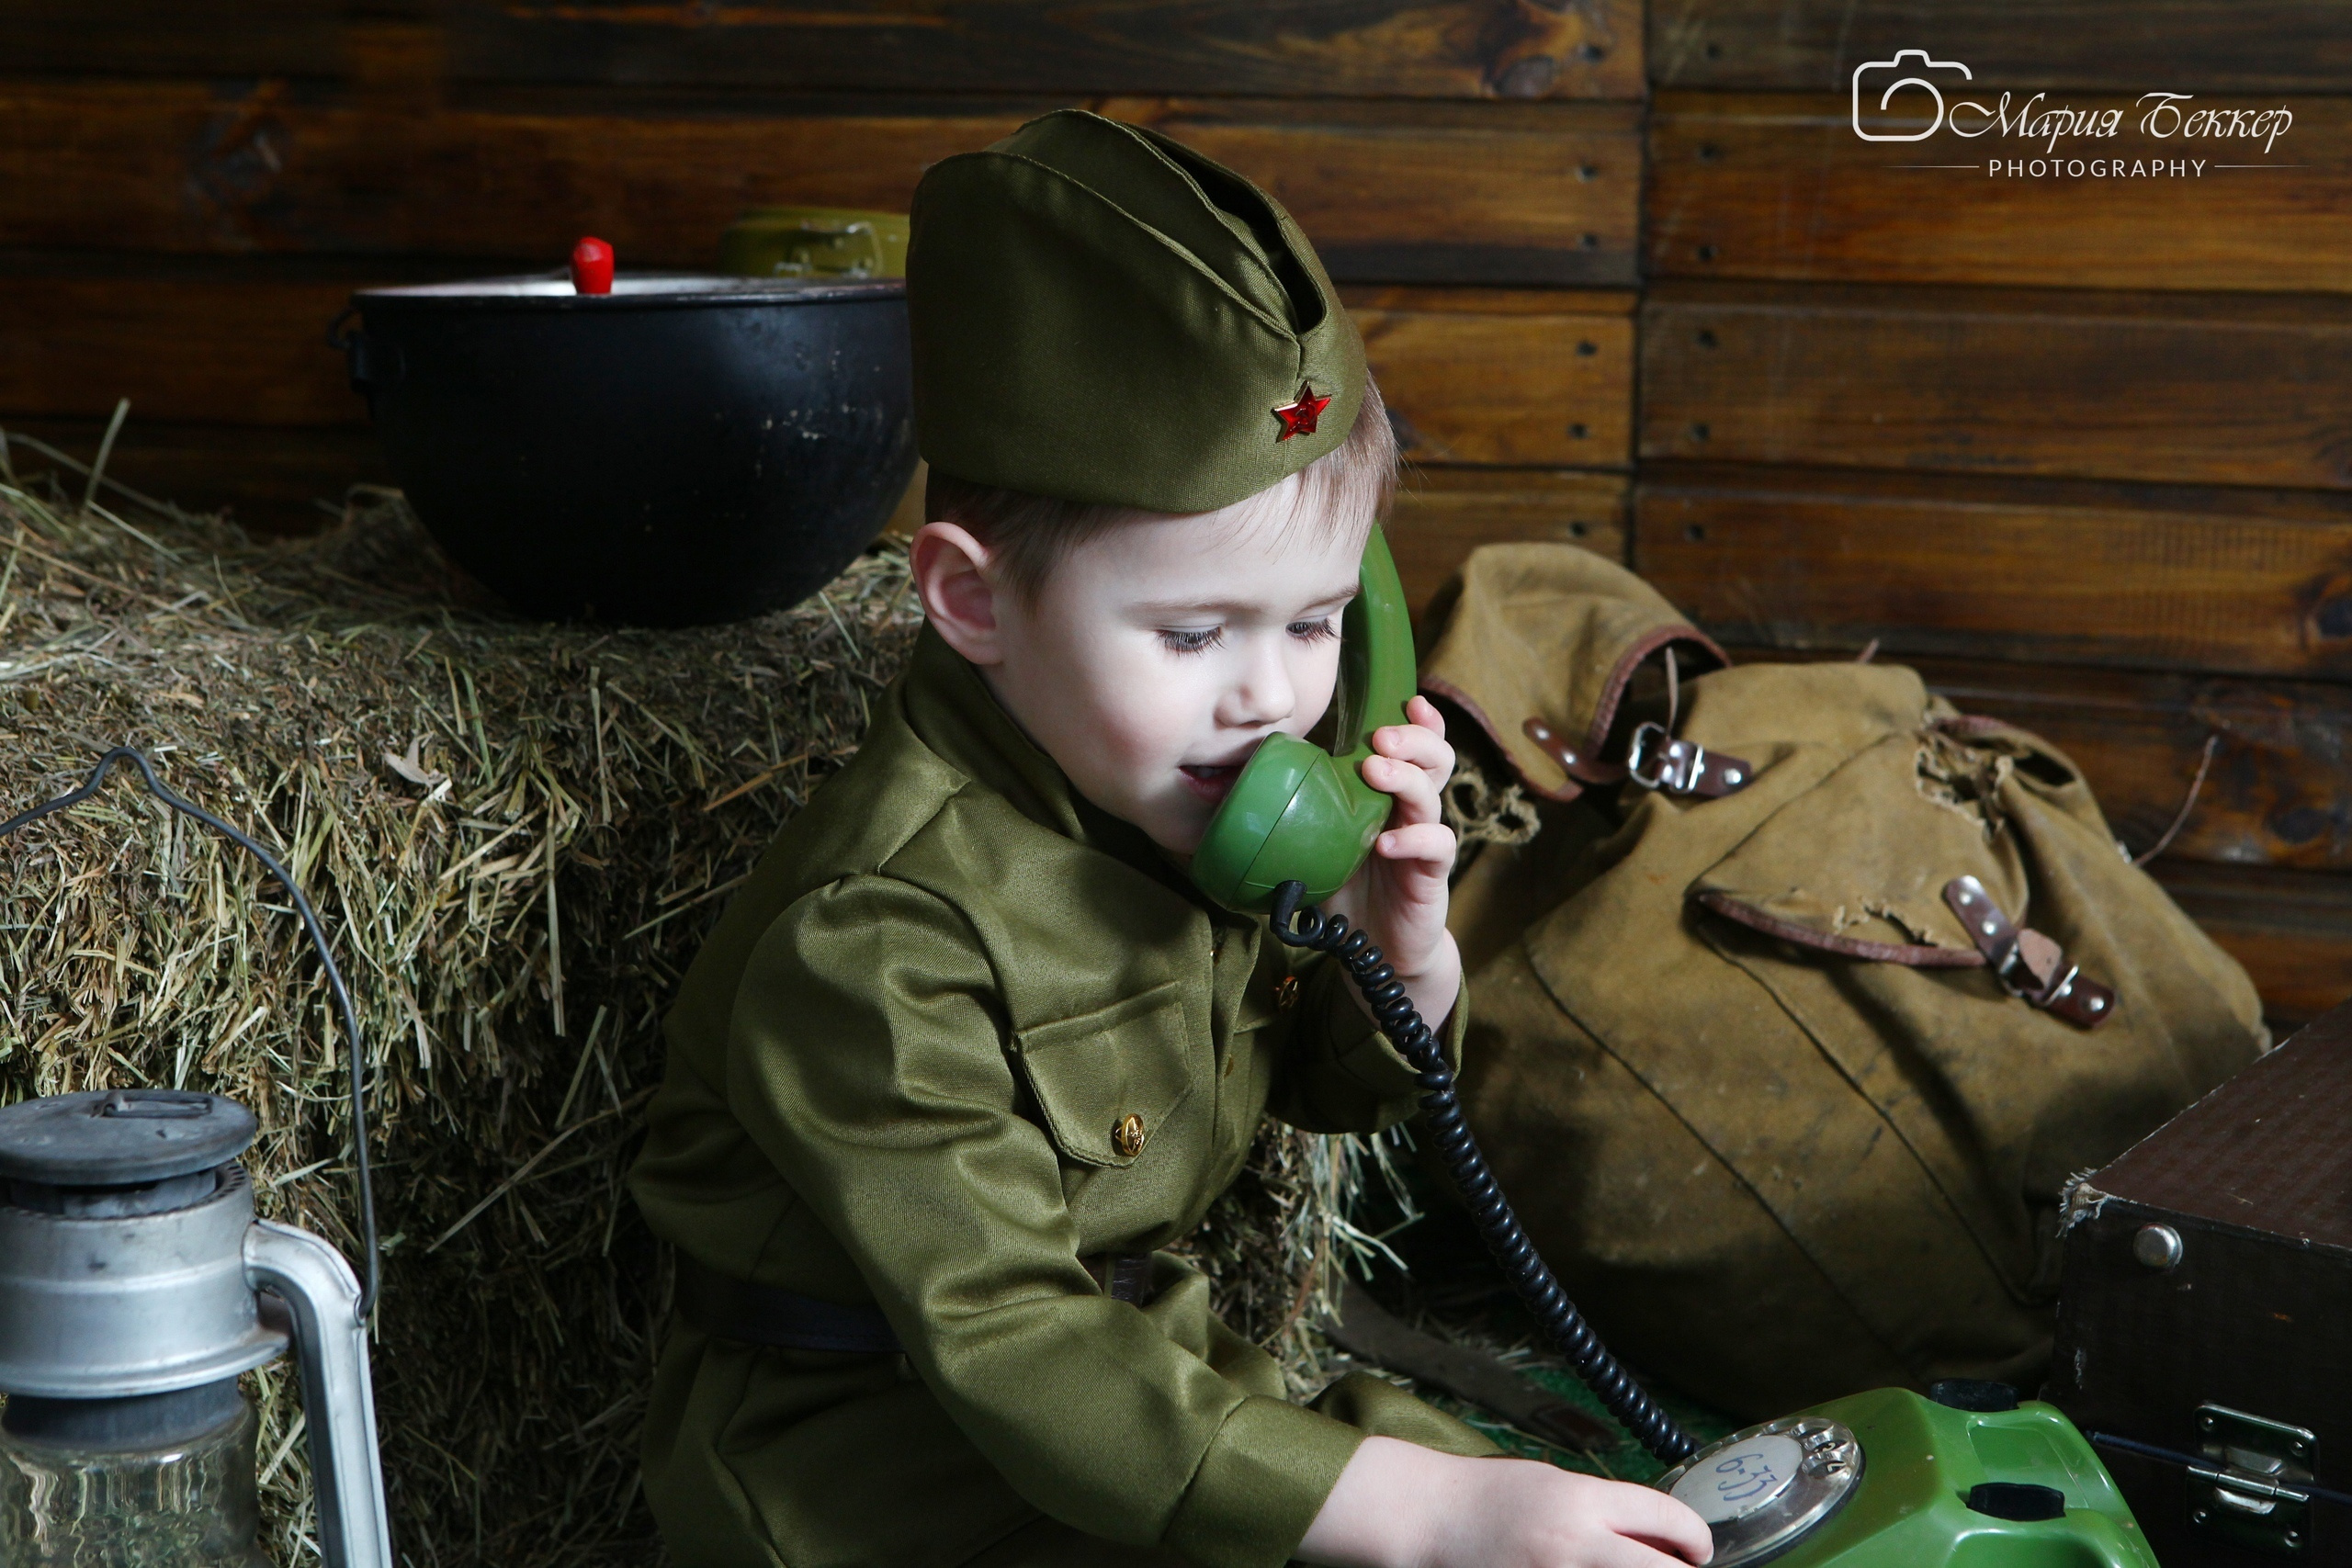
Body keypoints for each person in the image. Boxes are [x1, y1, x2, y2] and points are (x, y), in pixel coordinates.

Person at [627, 107, 1712, 1568]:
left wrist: (1404, 963)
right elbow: (1016, 1344)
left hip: (1153, 1397)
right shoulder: (876, 938)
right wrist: (1431, 1518)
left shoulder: (1175, 792)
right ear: (972, 603)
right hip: (889, 1479)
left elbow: (1300, 1083)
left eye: (1318, 621)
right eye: (1193, 631)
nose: (1269, 694)